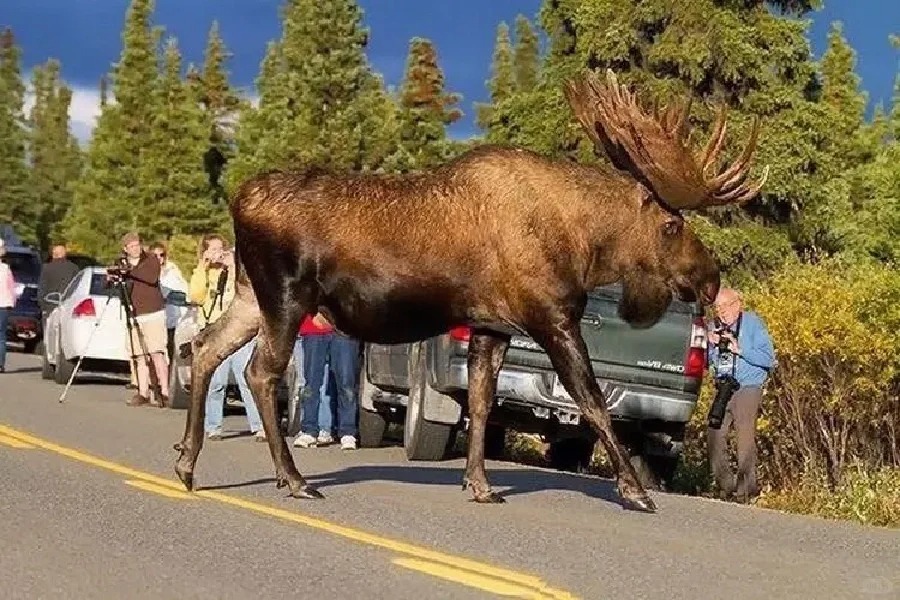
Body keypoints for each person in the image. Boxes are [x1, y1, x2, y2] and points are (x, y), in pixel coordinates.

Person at [189, 234, 264, 442]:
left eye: (221, 249)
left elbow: (244, 296)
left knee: (247, 380)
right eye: (212, 250)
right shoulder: (203, 272)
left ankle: (259, 425)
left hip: (238, 331)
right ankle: (213, 426)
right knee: (216, 382)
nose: (217, 254)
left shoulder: (236, 272)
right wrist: (202, 268)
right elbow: (196, 296)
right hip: (216, 332)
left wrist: (232, 268)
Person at [706, 287, 775, 503]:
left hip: (748, 385)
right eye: (717, 307)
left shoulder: (753, 324)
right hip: (724, 385)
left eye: (725, 306)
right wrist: (710, 344)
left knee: (744, 436)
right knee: (713, 431)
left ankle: (746, 489)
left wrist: (740, 349)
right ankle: (727, 484)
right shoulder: (714, 326)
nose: (721, 312)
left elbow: (768, 358)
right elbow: (707, 361)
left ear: (737, 305)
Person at [293, 311, 361, 450]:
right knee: (310, 383)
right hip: (314, 328)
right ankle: (308, 429)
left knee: (347, 382)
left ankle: (348, 431)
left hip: (345, 329)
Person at [119, 231, 170, 408]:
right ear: (125, 249)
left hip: (153, 313)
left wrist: (129, 271)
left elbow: (151, 277)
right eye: (131, 246)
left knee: (156, 353)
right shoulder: (122, 264)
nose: (135, 248)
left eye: (137, 245)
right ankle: (143, 392)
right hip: (135, 315)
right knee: (139, 356)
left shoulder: (151, 260)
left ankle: (164, 391)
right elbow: (111, 285)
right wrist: (114, 276)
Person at [149, 241, 187, 367]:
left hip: (173, 318)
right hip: (155, 317)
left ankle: (169, 381)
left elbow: (183, 291)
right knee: (154, 352)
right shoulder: (146, 272)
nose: (159, 258)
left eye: (162, 255)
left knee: (172, 351)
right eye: (155, 255)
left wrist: (169, 295)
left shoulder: (172, 270)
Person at [37, 242, 80, 329]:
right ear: (65, 255)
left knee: (49, 333)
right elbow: (77, 288)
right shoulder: (74, 268)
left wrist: (42, 304)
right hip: (67, 306)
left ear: (53, 255)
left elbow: (42, 288)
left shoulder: (47, 268)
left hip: (49, 305)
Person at [0, 239, 20, 373]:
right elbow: (12, 288)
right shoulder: (5, 269)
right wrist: (13, 302)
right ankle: (0, 364)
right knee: (1, 336)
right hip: (3, 304)